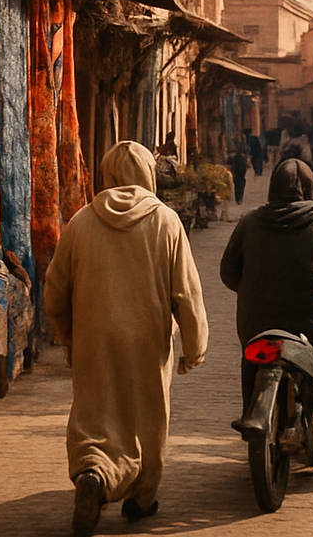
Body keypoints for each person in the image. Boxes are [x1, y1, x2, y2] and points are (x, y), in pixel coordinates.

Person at [45, 141, 209, 535]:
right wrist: (194, 346)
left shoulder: (81, 221)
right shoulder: (166, 221)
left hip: (93, 340)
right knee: (147, 419)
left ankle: (93, 473)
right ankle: (141, 499)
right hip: (148, 340)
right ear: (149, 174)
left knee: (95, 413)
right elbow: (186, 291)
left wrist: (68, 337)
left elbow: (54, 290)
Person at [219, 158, 313, 427]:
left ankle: (250, 411)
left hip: (258, 322)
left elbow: (228, 272)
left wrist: (254, 289)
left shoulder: (249, 222)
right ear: (310, 189)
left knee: (251, 357)